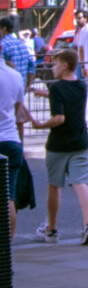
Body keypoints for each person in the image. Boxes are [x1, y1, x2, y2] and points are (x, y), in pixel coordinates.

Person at [30, 48, 88, 245]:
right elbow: (68, 98)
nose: (52, 67)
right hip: (80, 141)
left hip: (58, 144)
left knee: (54, 186)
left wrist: (39, 124)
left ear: (65, 65)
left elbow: (59, 117)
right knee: (80, 182)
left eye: (55, 63)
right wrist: (45, 94)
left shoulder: (58, 88)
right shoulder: (81, 85)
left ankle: (51, 230)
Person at [0, 56, 27, 238]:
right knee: (9, 196)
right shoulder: (15, 75)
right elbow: (18, 113)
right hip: (11, 140)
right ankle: (7, 247)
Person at [0, 15, 36, 86]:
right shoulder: (22, 44)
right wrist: (27, 86)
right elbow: (32, 66)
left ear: (4, 29)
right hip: (20, 87)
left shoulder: (2, 45)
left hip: (6, 88)